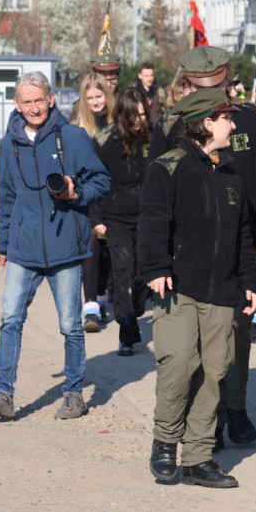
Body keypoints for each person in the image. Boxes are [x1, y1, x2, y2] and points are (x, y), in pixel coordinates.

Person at [138, 88, 256, 489]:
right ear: (207, 123)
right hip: (178, 286)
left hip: (222, 291)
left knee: (213, 372)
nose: (233, 124)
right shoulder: (168, 167)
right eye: (227, 118)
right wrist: (156, 267)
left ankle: (197, 457)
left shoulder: (231, 174)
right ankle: (165, 442)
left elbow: (244, 236)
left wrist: (250, 281)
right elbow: (153, 220)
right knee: (178, 364)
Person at [0, 72, 110, 421]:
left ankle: (74, 395)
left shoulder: (73, 137)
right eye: (26, 102)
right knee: (10, 319)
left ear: (51, 99)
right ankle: (3, 395)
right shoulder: (9, 144)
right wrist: (4, 243)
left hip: (66, 247)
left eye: (39, 100)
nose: (33, 107)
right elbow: (6, 198)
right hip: (23, 248)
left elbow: (102, 181)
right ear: (17, 105)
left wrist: (75, 192)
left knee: (70, 325)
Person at [90, 87, 152, 357]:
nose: (139, 120)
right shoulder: (105, 142)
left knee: (141, 278)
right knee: (124, 273)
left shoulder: (154, 138)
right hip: (116, 219)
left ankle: (133, 313)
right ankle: (127, 333)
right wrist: (97, 219)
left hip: (149, 219)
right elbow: (93, 181)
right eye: (134, 115)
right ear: (122, 116)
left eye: (143, 114)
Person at [73, 72, 116, 332]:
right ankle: (90, 309)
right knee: (91, 247)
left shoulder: (117, 124)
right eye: (89, 97)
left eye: (99, 96)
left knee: (108, 252)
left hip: (114, 195)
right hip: (88, 195)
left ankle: (100, 300)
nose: (95, 102)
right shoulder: (79, 128)